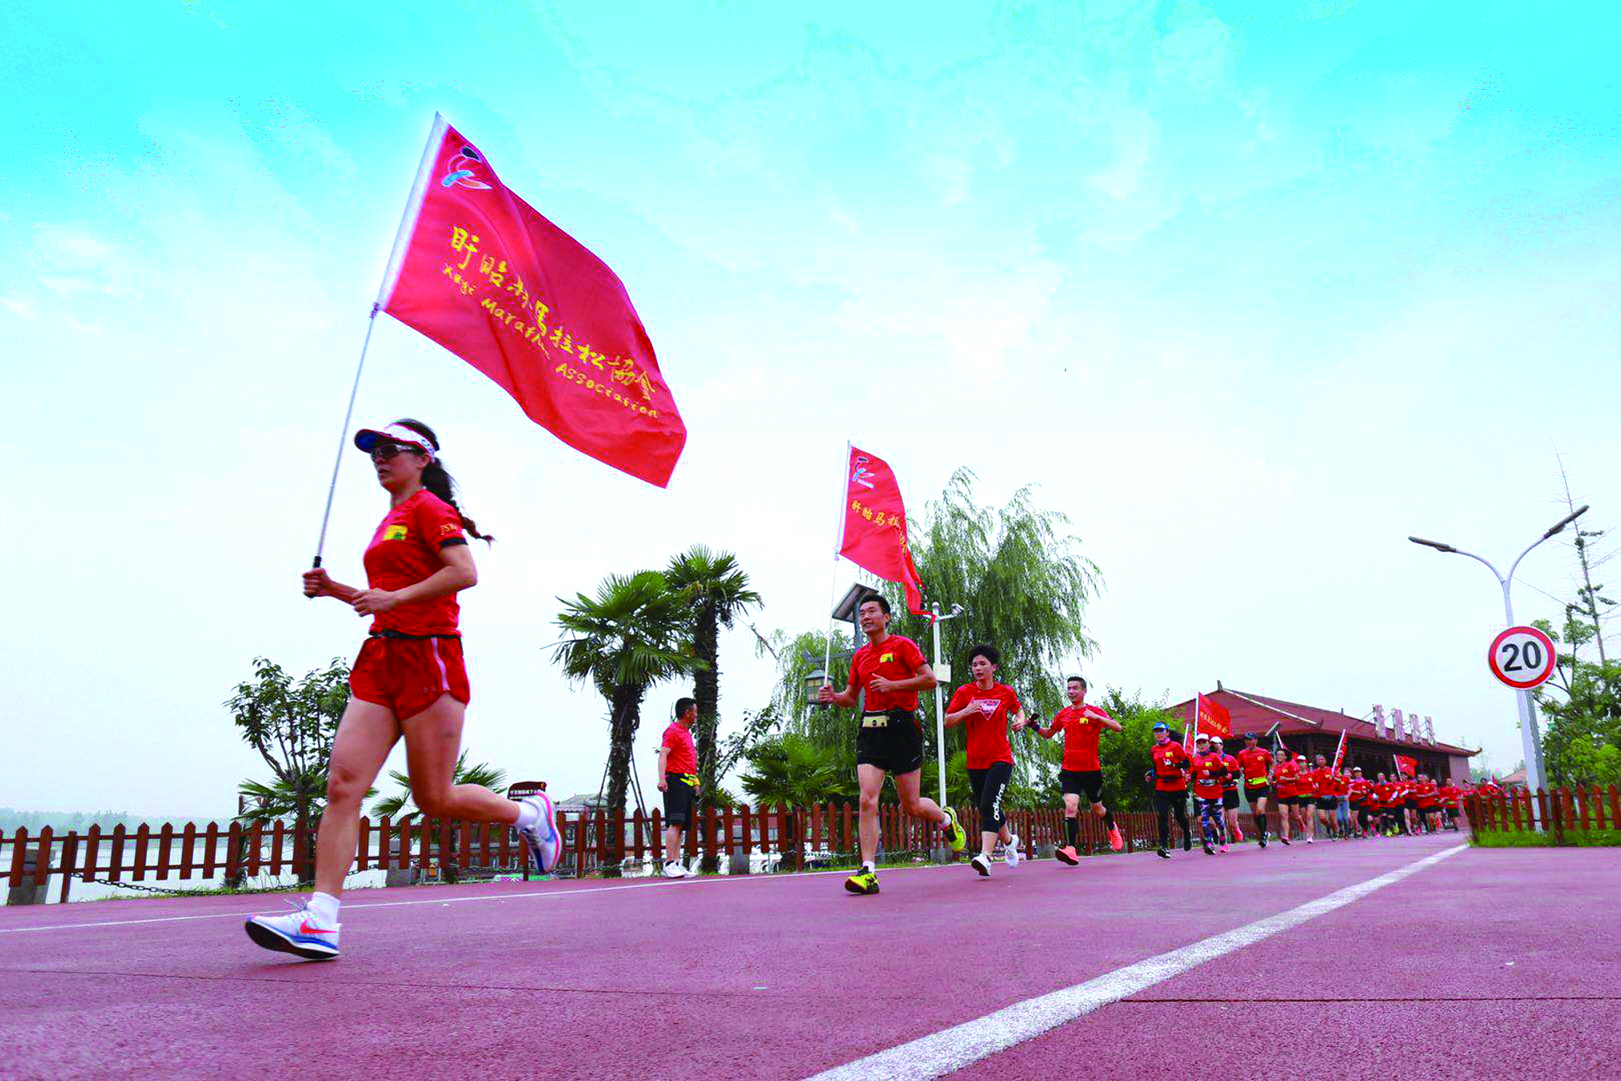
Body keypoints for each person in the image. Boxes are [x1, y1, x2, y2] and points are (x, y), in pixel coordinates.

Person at [246, 420, 559, 961]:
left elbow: (464, 572)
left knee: (433, 797)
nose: (380, 458)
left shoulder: (431, 509)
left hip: (430, 657)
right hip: (381, 657)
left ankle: (530, 817)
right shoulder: (389, 518)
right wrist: (337, 591)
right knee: (343, 785)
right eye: (374, 451)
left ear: (422, 459)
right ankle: (320, 921)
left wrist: (392, 601)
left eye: (391, 450)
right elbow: (386, 596)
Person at [818, 594, 966, 895]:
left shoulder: (902, 645)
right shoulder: (860, 656)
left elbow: (929, 679)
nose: (866, 617)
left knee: (910, 806)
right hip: (871, 729)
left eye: (872, 611)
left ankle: (944, 818)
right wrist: (834, 698)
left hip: (902, 728)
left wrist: (893, 685)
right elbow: (850, 697)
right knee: (866, 799)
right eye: (862, 613)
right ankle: (868, 871)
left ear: (886, 617)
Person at [943, 645, 1027, 877]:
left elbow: (1018, 711)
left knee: (989, 804)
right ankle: (1009, 841)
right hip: (975, 761)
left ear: (993, 667)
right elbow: (948, 721)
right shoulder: (964, 692)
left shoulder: (1005, 692)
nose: (977, 668)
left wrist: (1019, 722)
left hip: (1000, 758)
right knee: (988, 806)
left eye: (982, 664)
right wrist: (966, 711)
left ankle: (986, 857)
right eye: (974, 665)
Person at [1036, 675, 1123, 864]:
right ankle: (1071, 849)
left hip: (1091, 771)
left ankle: (1111, 826)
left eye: (1075, 688)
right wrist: (1033, 726)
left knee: (1097, 808)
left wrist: (1097, 717)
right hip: (1070, 770)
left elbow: (1118, 727)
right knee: (1070, 806)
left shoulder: (1094, 712)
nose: (1071, 691)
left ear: (1084, 691)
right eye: (1069, 688)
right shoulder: (1064, 714)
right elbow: (1049, 734)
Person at [657, 698, 701, 878]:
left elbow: (688, 761)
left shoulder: (687, 733)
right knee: (675, 823)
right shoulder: (673, 731)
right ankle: (669, 863)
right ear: (687, 713)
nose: (696, 715)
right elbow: (663, 754)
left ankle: (676, 862)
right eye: (695, 712)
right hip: (675, 780)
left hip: (687, 781)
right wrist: (662, 779)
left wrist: (695, 782)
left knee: (681, 825)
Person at [1148, 723, 1193, 858]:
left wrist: (1174, 764)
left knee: (1179, 816)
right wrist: (1150, 774)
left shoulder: (1175, 746)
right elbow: (1155, 767)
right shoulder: (1154, 749)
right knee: (1162, 815)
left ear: (1167, 732)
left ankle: (1187, 833)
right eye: (1156, 731)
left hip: (1177, 786)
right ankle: (1163, 846)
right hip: (1162, 787)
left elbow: (1187, 764)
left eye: (1161, 731)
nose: (1158, 734)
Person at [1187, 734, 1228, 854]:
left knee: (1217, 819)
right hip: (1201, 793)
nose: (1201, 745)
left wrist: (1210, 773)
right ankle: (1209, 843)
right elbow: (1193, 774)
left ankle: (1223, 840)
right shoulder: (1196, 759)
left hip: (1215, 793)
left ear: (1208, 744)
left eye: (1203, 742)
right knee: (1204, 819)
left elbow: (1224, 771)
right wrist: (1188, 778)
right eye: (1198, 743)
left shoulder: (1214, 757)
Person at [1235, 733, 1274, 848]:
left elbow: (1271, 764)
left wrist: (1270, 774)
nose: (1248, 742)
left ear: (1256, 740)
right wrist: (1239, 771)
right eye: (1246, 740)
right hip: (1249, 786)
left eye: (1250, 739)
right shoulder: (1242, 754)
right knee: (1254, 814)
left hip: (1262, 785)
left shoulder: (1264, 752)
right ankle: (1264, 833)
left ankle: (1263, 836)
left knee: (1260, 810)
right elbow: (1238, 767)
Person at [1211, 737, 1244, 846]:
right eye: (1212, 744)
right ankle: (1224, 844)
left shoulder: (1230, 759)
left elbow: (1237, 774)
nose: (1214, 746)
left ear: (1221, 745)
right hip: (1217, 792)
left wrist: (1230, 776)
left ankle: (1236, 827)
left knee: (1232, 823)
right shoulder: (1209, 760)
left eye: (1216, 744)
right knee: (1220, 821)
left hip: (1230, 791)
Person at [1270, 747, 1300, 845]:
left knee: (1296, 816)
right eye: (1278, 755)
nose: (1279, 756)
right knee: (1284, 816)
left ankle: (1301, 823)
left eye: (1281, 755)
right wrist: (1271, 780)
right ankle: (1286, 836)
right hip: (1281, 794)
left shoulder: (1290, 765)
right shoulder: (1275, 767)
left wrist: (1286, 779)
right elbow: (1272, 776)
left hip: (1292, 793)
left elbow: (1297, 778)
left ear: (1285, 756)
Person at [1312, 754, 1337, 841]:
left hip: (1331, 796)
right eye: (1318, 760)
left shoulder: (1331, 770)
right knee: (1322, 818)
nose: (1320, 761)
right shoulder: (1314, 772)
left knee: (1332, 817)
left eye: (1322, 759)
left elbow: (1339, 780)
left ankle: (1335, 833)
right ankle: (1328, 825)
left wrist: (1334, 778)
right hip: (1320, 797)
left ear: (1325, 761)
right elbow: (1312, 783)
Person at [1347, 767, 1373, 838]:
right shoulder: (1352, 782)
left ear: (1361, 773)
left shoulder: (1366, 782)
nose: (1357, 774)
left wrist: (1366, 792)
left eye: (1358, 772)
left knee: (1364, 817)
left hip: (1365, 802)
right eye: (1355, 773)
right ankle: (1359, 830)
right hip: (1356, 803)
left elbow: (1370, 790)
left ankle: (1365, 831)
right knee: (1358, 818)